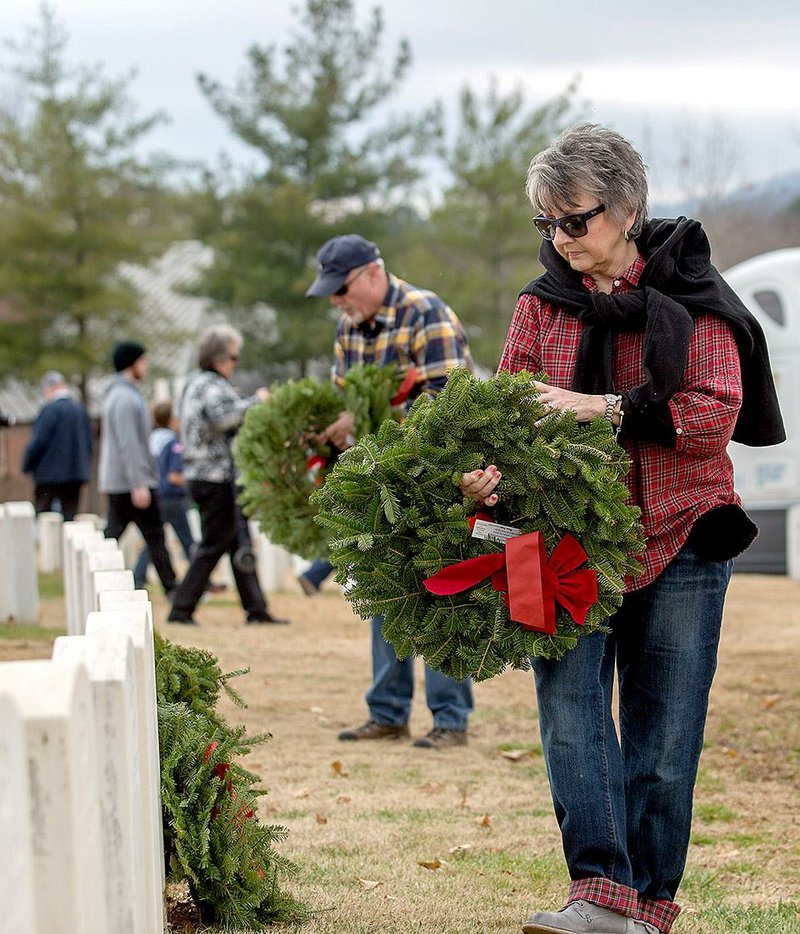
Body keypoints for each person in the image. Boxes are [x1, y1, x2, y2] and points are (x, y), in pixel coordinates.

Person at [461, 124, 784, 934]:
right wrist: (486, 475)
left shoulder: (689, 291)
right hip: (562, 545)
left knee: (665, 736)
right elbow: (506, 412)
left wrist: (595, 408)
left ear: (628, 206)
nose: (560, 239)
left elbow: (712, 415)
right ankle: (599, 894)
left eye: (576, 219)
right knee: (568, 711)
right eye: (546, 224)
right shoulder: (539, 307)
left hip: (682, 533)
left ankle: (648, 908)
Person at [305, 233, 476, 750]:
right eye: (331, 292)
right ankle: (388, 713)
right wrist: (335, 426)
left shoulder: (427, 314)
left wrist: (372, 418)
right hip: (379, 481)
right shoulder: (348, 331)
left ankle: (450, 718)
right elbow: (345, 398)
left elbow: (447, 403)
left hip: (439, 476)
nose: (336, 300)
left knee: (444, 591)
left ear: (373, 274)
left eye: (342, 289)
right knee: (387, 593)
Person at [167, 324, 287, 626]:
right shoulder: (211, 385)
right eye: (234, 357)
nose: (235, 364)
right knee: (214, 543)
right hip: (214, 476)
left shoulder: (195, 383)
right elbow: (224, 417)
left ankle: (256, 609)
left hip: (205, 475)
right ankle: (181, 608)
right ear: (220, 358)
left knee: (237, 541)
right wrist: (259, 400)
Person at [98, 341, 177, 596]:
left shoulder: (122, 394)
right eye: (143, 360)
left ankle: (170, 587)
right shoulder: (123, 398)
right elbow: (128, 445)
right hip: (131, 481)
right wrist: (138, 483)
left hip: (125, 480)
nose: (146, 365)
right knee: (152, 535)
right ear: (131, 363)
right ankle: (172, 590)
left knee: (119, 535)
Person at [22, 371, 93, 521]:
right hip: (75, 475)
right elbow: (89, 443)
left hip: (49, 476)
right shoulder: (80, 410)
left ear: (49, 388)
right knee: (69, 518)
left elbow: (39, 441)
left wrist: (27, 464)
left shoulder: (50, 410)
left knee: (44, 518)